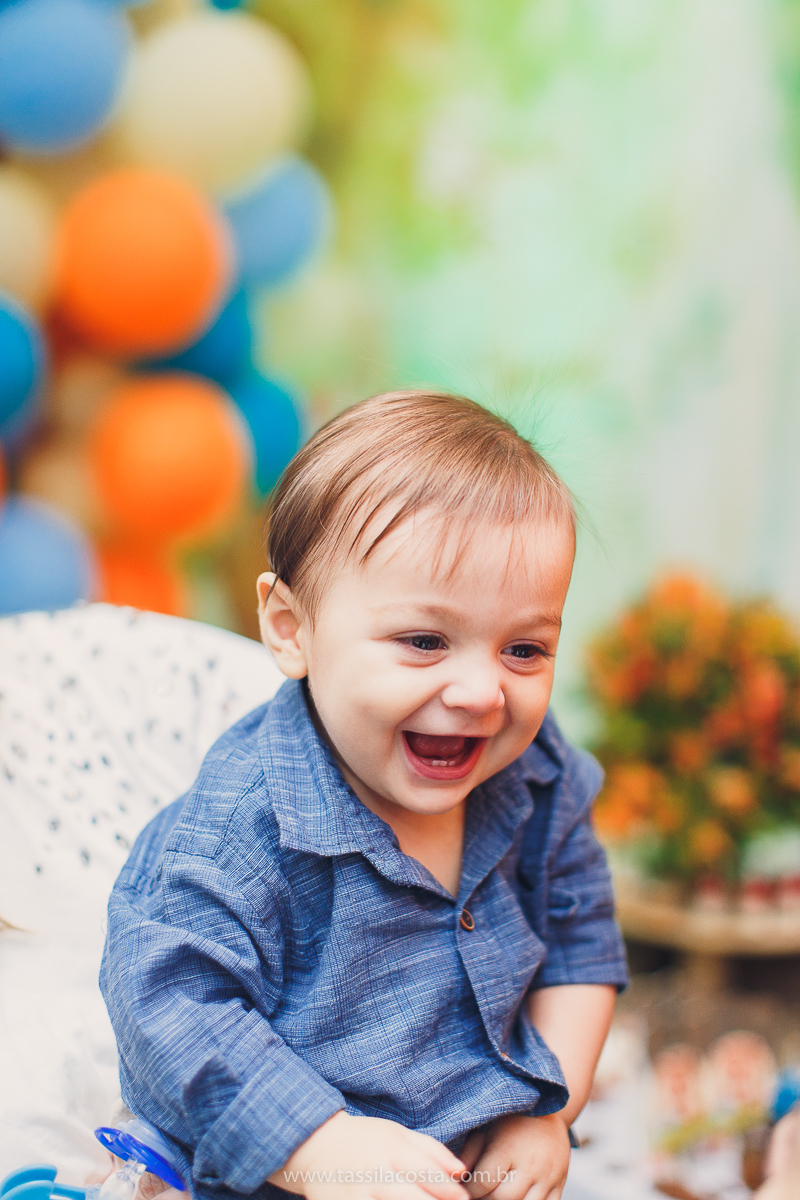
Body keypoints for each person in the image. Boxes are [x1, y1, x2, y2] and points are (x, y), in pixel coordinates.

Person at [100, 391, 629, 1200]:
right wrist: (320, 1146)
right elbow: (170, 1009)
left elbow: (579, 935)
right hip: (289, 1176)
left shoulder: (536, 771)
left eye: (524, 649)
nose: (482, 692)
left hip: (477, 1164)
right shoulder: (240, 829)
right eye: (425, 641)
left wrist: (547, 1109)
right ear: (291, 629)